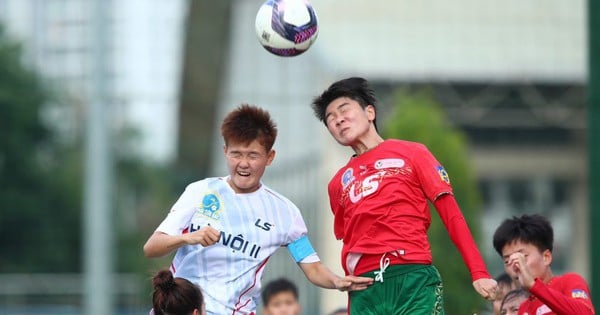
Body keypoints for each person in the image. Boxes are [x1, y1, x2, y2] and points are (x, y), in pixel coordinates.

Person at [143, 104, 372, 315]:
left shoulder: (284, 212)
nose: (243, 164)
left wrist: (337, 282)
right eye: (236, 154)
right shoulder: (200, 191)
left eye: (252, 155)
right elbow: (152, 247)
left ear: (269, 157)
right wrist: (189, 238)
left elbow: (312, 267)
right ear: (225, 151)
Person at [310, 77, 498, 314]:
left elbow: (451, 214)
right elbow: (350, 246)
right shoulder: (337, 184)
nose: (338, 120)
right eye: (330, 119)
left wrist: (478, 271)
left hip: (413, 279)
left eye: (344, 110)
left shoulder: (413, 153)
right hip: (365, 289)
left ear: (370, 112)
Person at [493, 213, 595, 315]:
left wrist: (534, 285)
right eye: (507, 261)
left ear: (546, 257)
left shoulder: (568, 282)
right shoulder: (523, 308)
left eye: (522, 257)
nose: (516, 266)